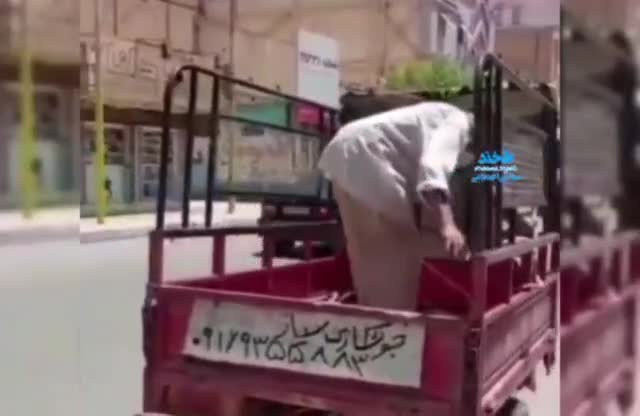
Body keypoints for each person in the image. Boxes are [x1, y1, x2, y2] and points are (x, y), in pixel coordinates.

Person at [318, 101, 475, 310]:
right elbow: (433, 170)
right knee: (397, 249)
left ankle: (370, 311)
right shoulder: (458, 122)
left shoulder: (437, 116)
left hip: (344, 150)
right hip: (367, 153)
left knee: (368, 250)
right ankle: (393, 318)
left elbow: (423, 183)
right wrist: (448, 225)